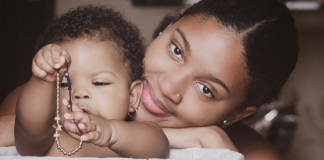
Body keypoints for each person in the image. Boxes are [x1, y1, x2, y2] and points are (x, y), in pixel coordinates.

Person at [0, 0, 298, 159]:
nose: (168, 86)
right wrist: (177, 138)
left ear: (236, 114)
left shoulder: (251, 155)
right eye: (176, 50)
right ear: (165, 29)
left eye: (206, 89)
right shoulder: (56, 94)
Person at [13, 5, 169, 158]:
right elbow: (28, 137)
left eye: (99, 83)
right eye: (64, 84)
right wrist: (44, 79)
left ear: (133, 96)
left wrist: (111, 132)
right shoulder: (48, 140)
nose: (80, 93)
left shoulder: (133, 136)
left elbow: (160, 147)